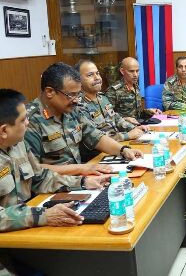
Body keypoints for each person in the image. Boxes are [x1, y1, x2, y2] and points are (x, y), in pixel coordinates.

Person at [0, 89, 109, 232]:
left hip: (27, 226)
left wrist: (82, 182)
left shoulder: (18, 144)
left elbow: (41, 178)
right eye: (23, 120)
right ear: (4, 131)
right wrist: (43, 216)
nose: (28, 122)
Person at [24, 62, 143, 176]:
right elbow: (34, 169)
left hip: (79, 178)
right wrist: (83, 168)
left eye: (78, 94)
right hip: (52, 186)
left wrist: (123, 150)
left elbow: (95, 136)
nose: (76, 99)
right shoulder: (28, 121)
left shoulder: (71, 109)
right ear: (50, 92)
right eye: (72, 95)